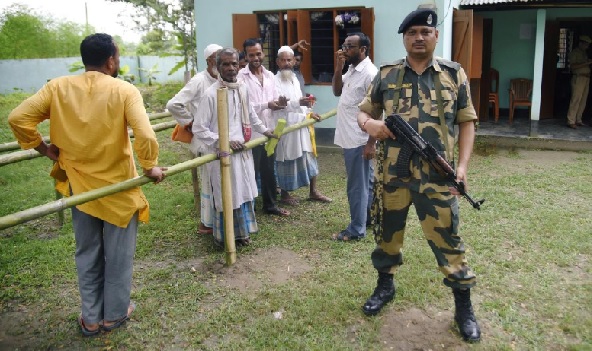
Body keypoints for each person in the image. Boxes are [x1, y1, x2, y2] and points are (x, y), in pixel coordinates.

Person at [7, 33, 166, 336]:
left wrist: (44, 149)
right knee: (118, 256)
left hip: (80, 188)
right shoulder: (124, 90)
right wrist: (150, 166)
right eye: (117, 58)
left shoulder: (58, 87)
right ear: (110, 61)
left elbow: (18, 118)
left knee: (87, 252)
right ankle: (114, 315)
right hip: (118, 189)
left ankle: (91, 318)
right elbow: (145, 135)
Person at [356, 9, 481, 342]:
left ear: (435, 36)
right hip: (392, 176)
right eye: (412, 33)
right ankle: (385, 287)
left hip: (438, 178)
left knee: (448, 240)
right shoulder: (386, 74)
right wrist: (373, 126)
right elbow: (363, 112)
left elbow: (467, 121)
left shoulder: (454, 75)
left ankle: (463, 306)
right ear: (405, 38)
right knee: (386, 235)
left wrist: (463, 168)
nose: (419, 37)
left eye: (425, 31)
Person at [193, 48, 276, 248]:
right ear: (217, 66)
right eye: (225, 64)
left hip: (242, 150)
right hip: (223, 152)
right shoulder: (211, 94)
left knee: (243, 191)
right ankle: (225, 238)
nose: (231, 68)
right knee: (227, 194)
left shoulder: (242, 88)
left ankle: (241, 233)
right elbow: (199, 128)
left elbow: (251, 115)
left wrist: (264, 131)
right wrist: (223, 140)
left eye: (234, 63)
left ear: (240, 64)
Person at [166, 44, 222, 235]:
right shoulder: (199, 80)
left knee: (220, 181)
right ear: (209, 61)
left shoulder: (222, 78)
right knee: (208, 181)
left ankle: (220, 220)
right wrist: (190, 122)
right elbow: (173, 104)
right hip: (204, 141)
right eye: (217, 58)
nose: (220, 61)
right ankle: (206, 224)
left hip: (220, 139)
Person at [331, 32, 378, 241]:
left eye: (350, 46)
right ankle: (367, 219)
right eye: (344, 45)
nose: (345, 49)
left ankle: (356, 230)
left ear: (363, 50)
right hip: (348, 135)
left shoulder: (370, 73)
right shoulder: (351, 69)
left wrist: (371, 143)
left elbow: (377, 111)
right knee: (366, 182)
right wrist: (338, 67)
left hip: (359, 139)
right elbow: (336, 91)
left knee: (356, 186)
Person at [272, 46, 332, 205]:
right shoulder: (273, 81)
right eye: (283, 60)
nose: (286, 63)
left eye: (289, 60)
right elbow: (280, 105)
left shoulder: (295, 78)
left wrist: (309, 113)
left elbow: (302, 101)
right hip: (285, 126)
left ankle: (313, 192)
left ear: (294, 61)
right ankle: (284, 195)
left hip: (301, 123)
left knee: (309, 155)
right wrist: (300, 106)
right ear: (277, 62)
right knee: (286, 160)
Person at [239, 38, 290, 217]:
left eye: (258, 53)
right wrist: (267, 104)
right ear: (245, 56)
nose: (256, 58)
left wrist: (280, 103)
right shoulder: (240, 77)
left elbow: (275, 98)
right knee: (250, 173)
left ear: (264, 53)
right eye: (251, 55)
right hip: (251, 134)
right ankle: (248, 210)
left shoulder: (269, 75)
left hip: (270, 130)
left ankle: (270, 205)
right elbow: (244, 107)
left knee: (269, 170)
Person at [566, 35, 592, 129]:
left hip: (586, 78)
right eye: (585, 44)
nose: (587, 46)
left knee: (583, 100)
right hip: (578, 78)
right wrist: (587, 63)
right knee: (576, 99)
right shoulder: (574, 53)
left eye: (588, 45)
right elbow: (573, 66)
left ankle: (578, 119)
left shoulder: (584, 53)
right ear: (580, 43)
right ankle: (571, 120)